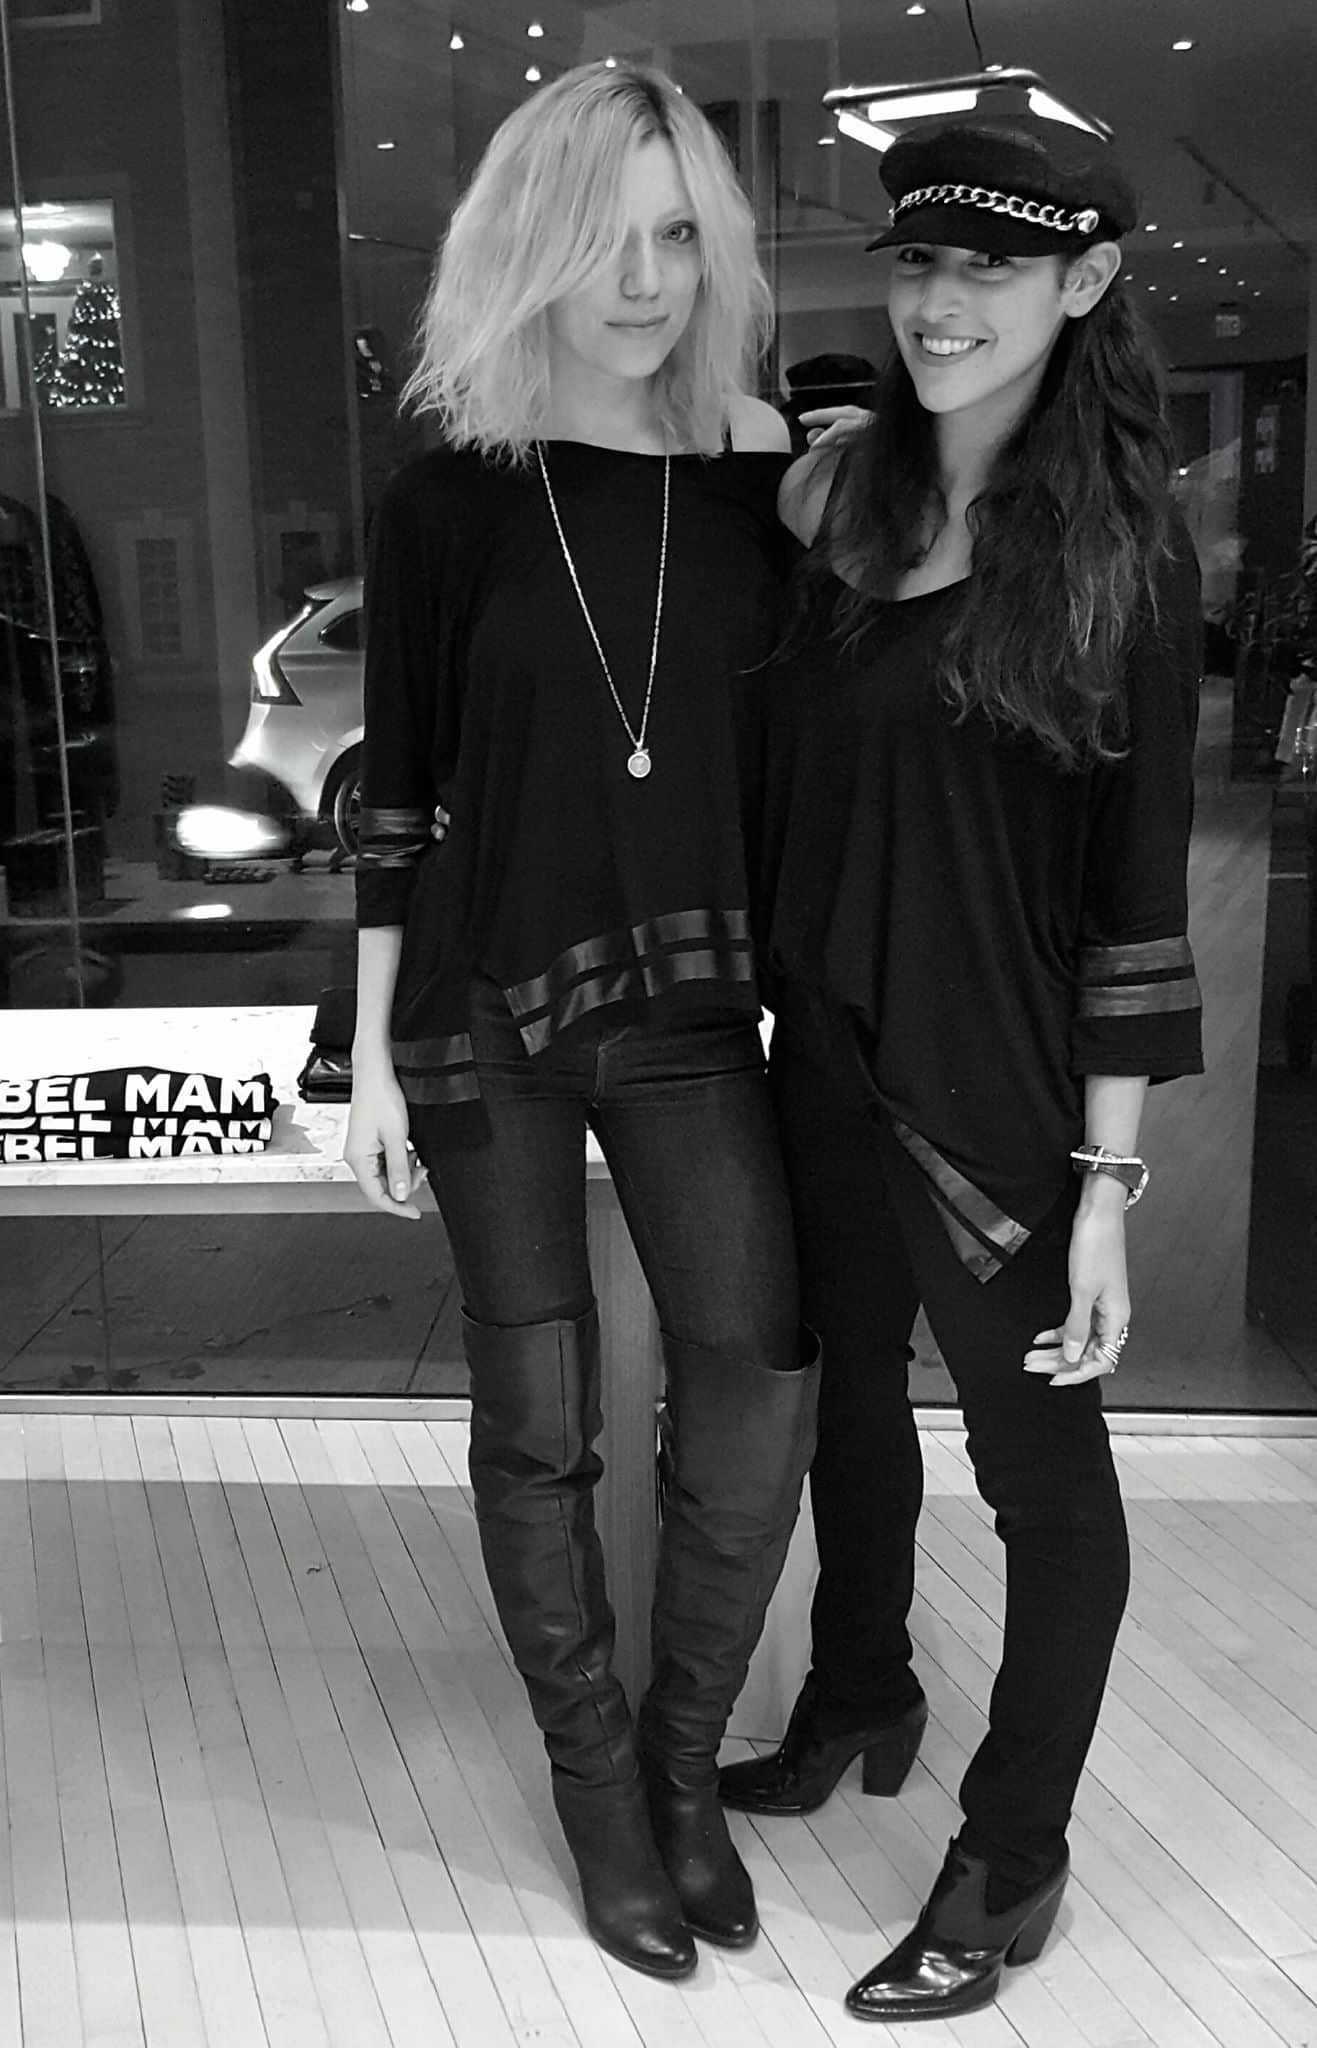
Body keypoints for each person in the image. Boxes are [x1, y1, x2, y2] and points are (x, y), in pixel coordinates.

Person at [718, 110, 1204, 2022]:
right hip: (819, 1055)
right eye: (916, 260)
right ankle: (859, 1685)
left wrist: (1105, 1189)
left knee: (1041, 1478)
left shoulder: (1118, 558)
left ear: (1083, 282)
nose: (936, 302)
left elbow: (1135, 898)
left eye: (986, 268)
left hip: (995, 1090)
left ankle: (1013, 1853)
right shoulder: (834, 504)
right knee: (844, 1397)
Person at [343, 61, 819, 1981]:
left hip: (700, 1015)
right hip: (483, 1014)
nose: (641, 280)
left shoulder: (761, 471)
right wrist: (366, 1062)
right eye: (602, 238)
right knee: (536, 1421)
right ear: (522, 247)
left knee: (753, 1379)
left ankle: (683, 1762)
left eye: (677, 235)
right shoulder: (448, 497)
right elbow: (395, 799)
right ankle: (596, 1785)